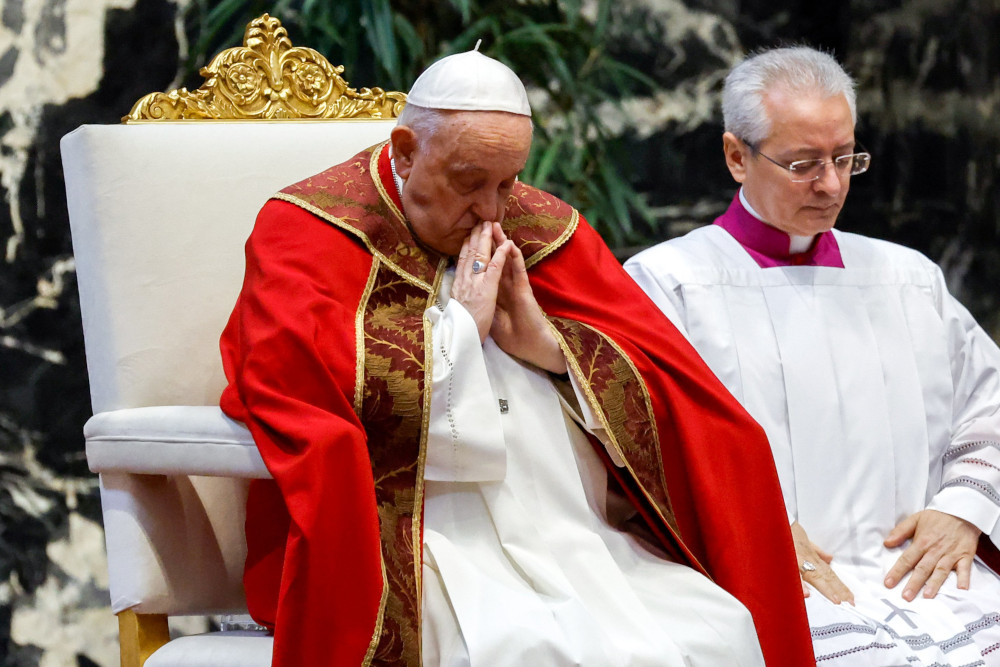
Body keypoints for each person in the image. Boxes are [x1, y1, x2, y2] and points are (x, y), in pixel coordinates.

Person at [219, 48, 814, 666]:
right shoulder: (308, 231)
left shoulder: (541, 227)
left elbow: (670, 385)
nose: (493, 211)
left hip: (569, 536)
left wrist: (553, 350)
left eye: (508, 182)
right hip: (423, 546)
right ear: (404, 151)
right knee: (530, 648)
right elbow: (296, 389)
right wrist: (461, 332)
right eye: (469, 181)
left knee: (716, 631)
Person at [626, 45, 1000, 666]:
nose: (830, 185)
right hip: (769, 583)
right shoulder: (668, 286)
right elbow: (646, 444)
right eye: (803, 163)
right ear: (736, 156)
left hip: (930, 580)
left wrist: (961, 510)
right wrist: (752, 534)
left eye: (845, 158)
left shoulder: (907, 278)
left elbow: (988, 407)